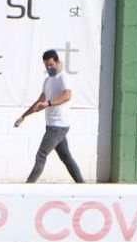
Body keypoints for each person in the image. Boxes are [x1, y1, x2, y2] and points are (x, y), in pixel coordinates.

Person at [15, 49, 86, 183]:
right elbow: (39, 103)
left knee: (41, 155)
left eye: (51, 65)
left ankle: (27, 187)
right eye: (46, 66)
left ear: (57, 62)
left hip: (58, 125)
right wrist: (24, 116)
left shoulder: (63, 78)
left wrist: (48, 103)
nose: (49, 68)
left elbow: (67, 96)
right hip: (53, 125)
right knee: (66, 157)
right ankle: (82, 184)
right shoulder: (48, 80)